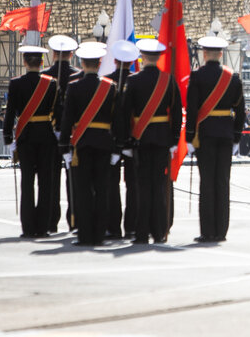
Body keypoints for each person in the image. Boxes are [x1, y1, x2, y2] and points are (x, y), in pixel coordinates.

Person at [119, 38, 182, 245]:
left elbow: (125, 113)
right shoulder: (169, 80)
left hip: (140, 140)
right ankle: (159, 232)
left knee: (142, 187)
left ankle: (141, 233)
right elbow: (176, 113)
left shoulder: (133, 81)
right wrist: (173, 140)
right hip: (163, 139)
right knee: (159, 187)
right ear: (159, 57)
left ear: (142, 57)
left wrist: (126, 142)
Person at [185, 36, 245, 243]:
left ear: (204, 54)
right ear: (221, 55)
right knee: (223, 182)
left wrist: (189, 138)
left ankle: (208, 231)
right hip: (226, 135)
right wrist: (236, 136)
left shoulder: (197, 77)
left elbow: (192, 110)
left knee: (207, 183)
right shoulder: (233, 78)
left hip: (205, 135)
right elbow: (240, 111)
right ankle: (221, 231)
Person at [59, 43, 117, 246]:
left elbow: (67, 119)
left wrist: (64, 146)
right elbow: (116, 120)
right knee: (102, 189)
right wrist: (117, 147)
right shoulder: (110, 87)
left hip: (81, 144)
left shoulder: (74, 87)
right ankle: (100, 233)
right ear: (100, 63)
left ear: (82, 63)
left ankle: (85, 234)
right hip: (104, 142)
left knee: (83, 190)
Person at [4, 45, 58, 238]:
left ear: (25, 62)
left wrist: (8, 138)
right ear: (42, 63)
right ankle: (43, 227)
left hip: (25, 137)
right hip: (46, 136)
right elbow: (57, 113)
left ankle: (28, 227)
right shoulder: (51, 83)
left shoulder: (16, 83)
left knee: (27, 182)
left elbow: (10, 112)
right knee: (46, 183)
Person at [43, 34, 81, 233]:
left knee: (50, 179)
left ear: (53, 53)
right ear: (72, 54)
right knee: (73, 180)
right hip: (74, 133)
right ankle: (73, 221)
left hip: (49, 133)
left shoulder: (45, 76)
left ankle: (50, 221)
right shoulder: (78, 75)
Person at [104, 40, 139, 239]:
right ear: (133, 61)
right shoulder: (137, 81)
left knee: (111, 185)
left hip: (111, 139)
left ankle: (113, 227)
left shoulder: (106, 82)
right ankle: (132, 226)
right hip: (134, 139)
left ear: (115, 60)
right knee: (133, 186)